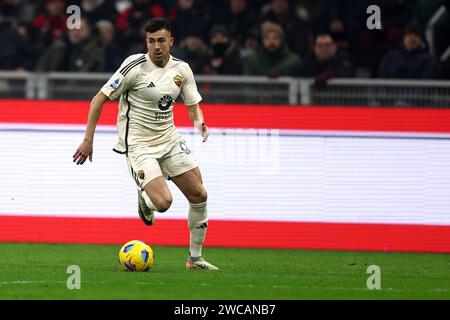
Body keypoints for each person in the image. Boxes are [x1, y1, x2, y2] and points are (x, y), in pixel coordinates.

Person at [72, 17, 219, 270]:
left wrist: (200, 123)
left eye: (161, 40)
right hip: (140, 145)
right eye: (151, 41)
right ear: (146, 42)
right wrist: (88, 140)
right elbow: (98, 99)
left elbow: (193, 105)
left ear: (171, 41)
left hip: (170, 140)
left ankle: (195, 259)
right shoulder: (134, 67)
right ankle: (145, 196)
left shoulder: (181, 70)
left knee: (199, 194)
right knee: (163, 203)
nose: (156, 46)